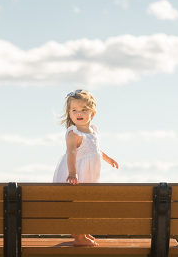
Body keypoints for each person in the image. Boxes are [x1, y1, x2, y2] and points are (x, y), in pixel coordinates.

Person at [53, 89, 119, 246]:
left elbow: (93, 149)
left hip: (89, 173)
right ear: (69, 113)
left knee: (86, 202)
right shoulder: (73, 133)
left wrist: (107, 158)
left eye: (83, 109)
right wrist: (72, 172)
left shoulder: (92, 131)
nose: (78, 113)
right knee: (80, 203)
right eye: (74, 110)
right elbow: (71, 154)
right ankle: (79, 238)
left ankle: (82, 232)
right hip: (77, 173)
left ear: (92, 113)